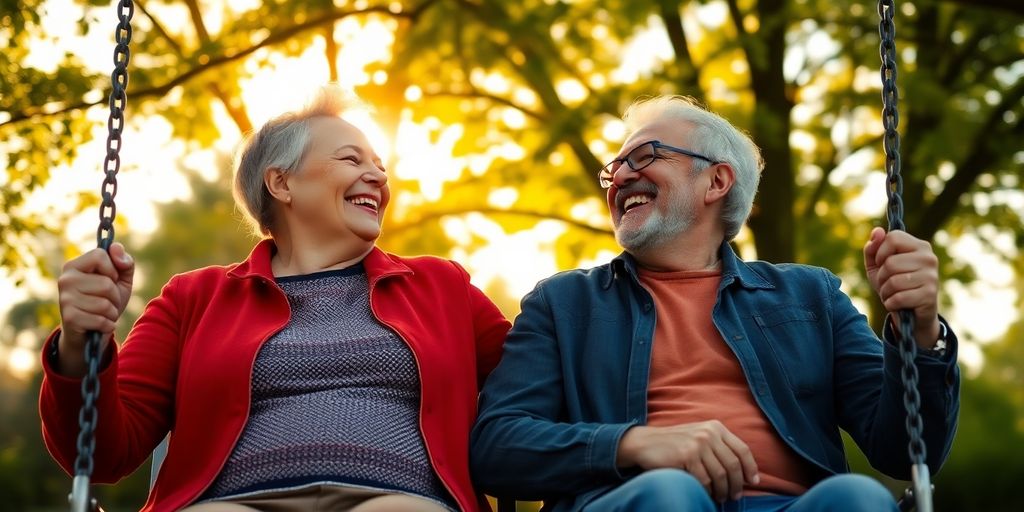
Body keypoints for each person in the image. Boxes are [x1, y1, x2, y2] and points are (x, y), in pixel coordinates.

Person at [470, 95, 960, 512]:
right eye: (613, 168)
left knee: (857, 498)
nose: (619, 177)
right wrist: (633, 444)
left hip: (792, 503)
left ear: (716, 181)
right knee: (670, 493)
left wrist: (918, 330)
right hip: (644, 500)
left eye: (643, 157)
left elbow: (905, 451)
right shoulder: (563, 304)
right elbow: (497, 446)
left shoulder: (811, 296)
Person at [39, 86, 511, 512]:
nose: (377, 178)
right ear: (281, 183)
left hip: (399, 498)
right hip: (233, 502)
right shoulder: (194, 298)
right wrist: (82, 341)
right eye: (352, 160)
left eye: (380, 167)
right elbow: (104, 453)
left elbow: (541, 381)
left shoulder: (441, 287)